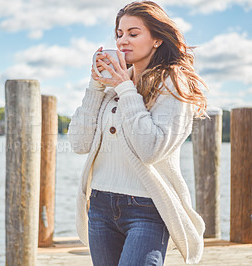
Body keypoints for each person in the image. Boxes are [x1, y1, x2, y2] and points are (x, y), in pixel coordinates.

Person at [67, 1, 207, 265]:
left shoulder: (174, 83)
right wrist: (95, 86)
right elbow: (78, 142)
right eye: (119, 34)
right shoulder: (113, 87)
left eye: (133, 33)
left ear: (156, 39)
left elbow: (150, 149)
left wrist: (125, 88)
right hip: (99, 205)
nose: (122, 41)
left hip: (147, 208)